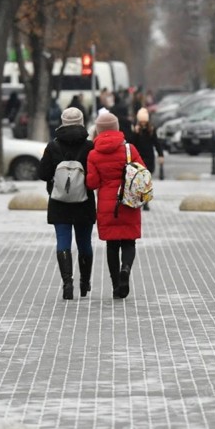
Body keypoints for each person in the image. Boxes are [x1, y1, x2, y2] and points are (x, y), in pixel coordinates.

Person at [37, 106, 96, 299]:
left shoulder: (52, 146)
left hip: (59, 202)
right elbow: (95, 176)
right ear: (81, 122)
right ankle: (84, 282)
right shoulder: (89, 147)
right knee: (84, 243)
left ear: (62, 123)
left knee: (63, 242)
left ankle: (67, 283)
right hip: (84, 202)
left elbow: (43, 173)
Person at [86, 109, 145, 299]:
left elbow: (92, 183)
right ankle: (126, 269)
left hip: (107, 206)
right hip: (128, 201)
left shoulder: (93, 154)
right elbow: (142, 172)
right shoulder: (130, 150)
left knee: (112, 245)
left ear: (98, 130)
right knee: (129, 241)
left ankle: (115, 286)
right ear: (117, 128)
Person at [126, 107, 165, 181]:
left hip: (149, 157)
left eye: (144, 122)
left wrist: (160, 154)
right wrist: (135, 133)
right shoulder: (135, 130)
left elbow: (156, 143)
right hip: (138, 157)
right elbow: (131, 144)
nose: (143, 124)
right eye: (141, 122)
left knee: (147, 178)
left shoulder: (151, 130)